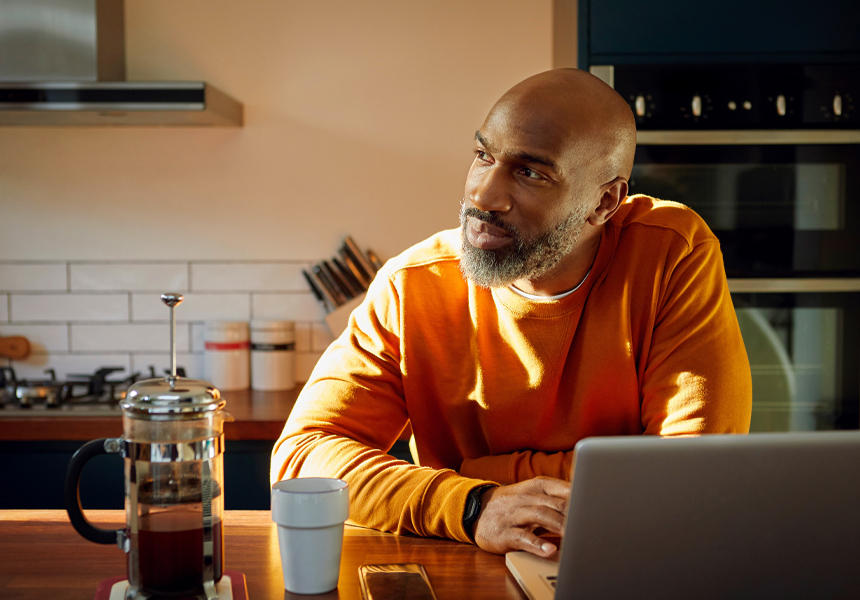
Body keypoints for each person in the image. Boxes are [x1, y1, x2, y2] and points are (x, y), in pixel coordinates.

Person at [271, 68, 752, 559]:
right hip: (465, 560)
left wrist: (478, 473)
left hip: (626, 558)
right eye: (483, 156)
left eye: (530, 173)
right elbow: (303, 458)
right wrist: (474, 505)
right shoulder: (413, 285)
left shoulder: (670, 253)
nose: (483, 195)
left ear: (604, 202)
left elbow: (694, 475)